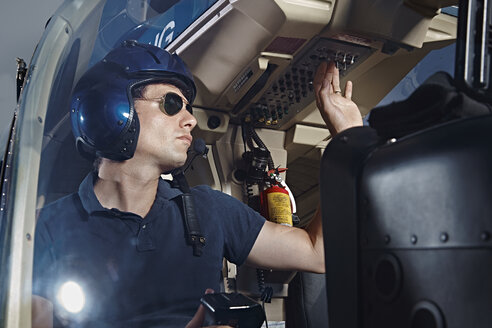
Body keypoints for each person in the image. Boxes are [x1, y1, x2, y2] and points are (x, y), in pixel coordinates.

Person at [32, 41, 362, 328]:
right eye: (172, 104)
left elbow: (317, 253)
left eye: (188, 109)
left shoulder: (210, 210)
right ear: (112, 109)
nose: (190, 119)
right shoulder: (45, 229)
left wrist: (347, 139)